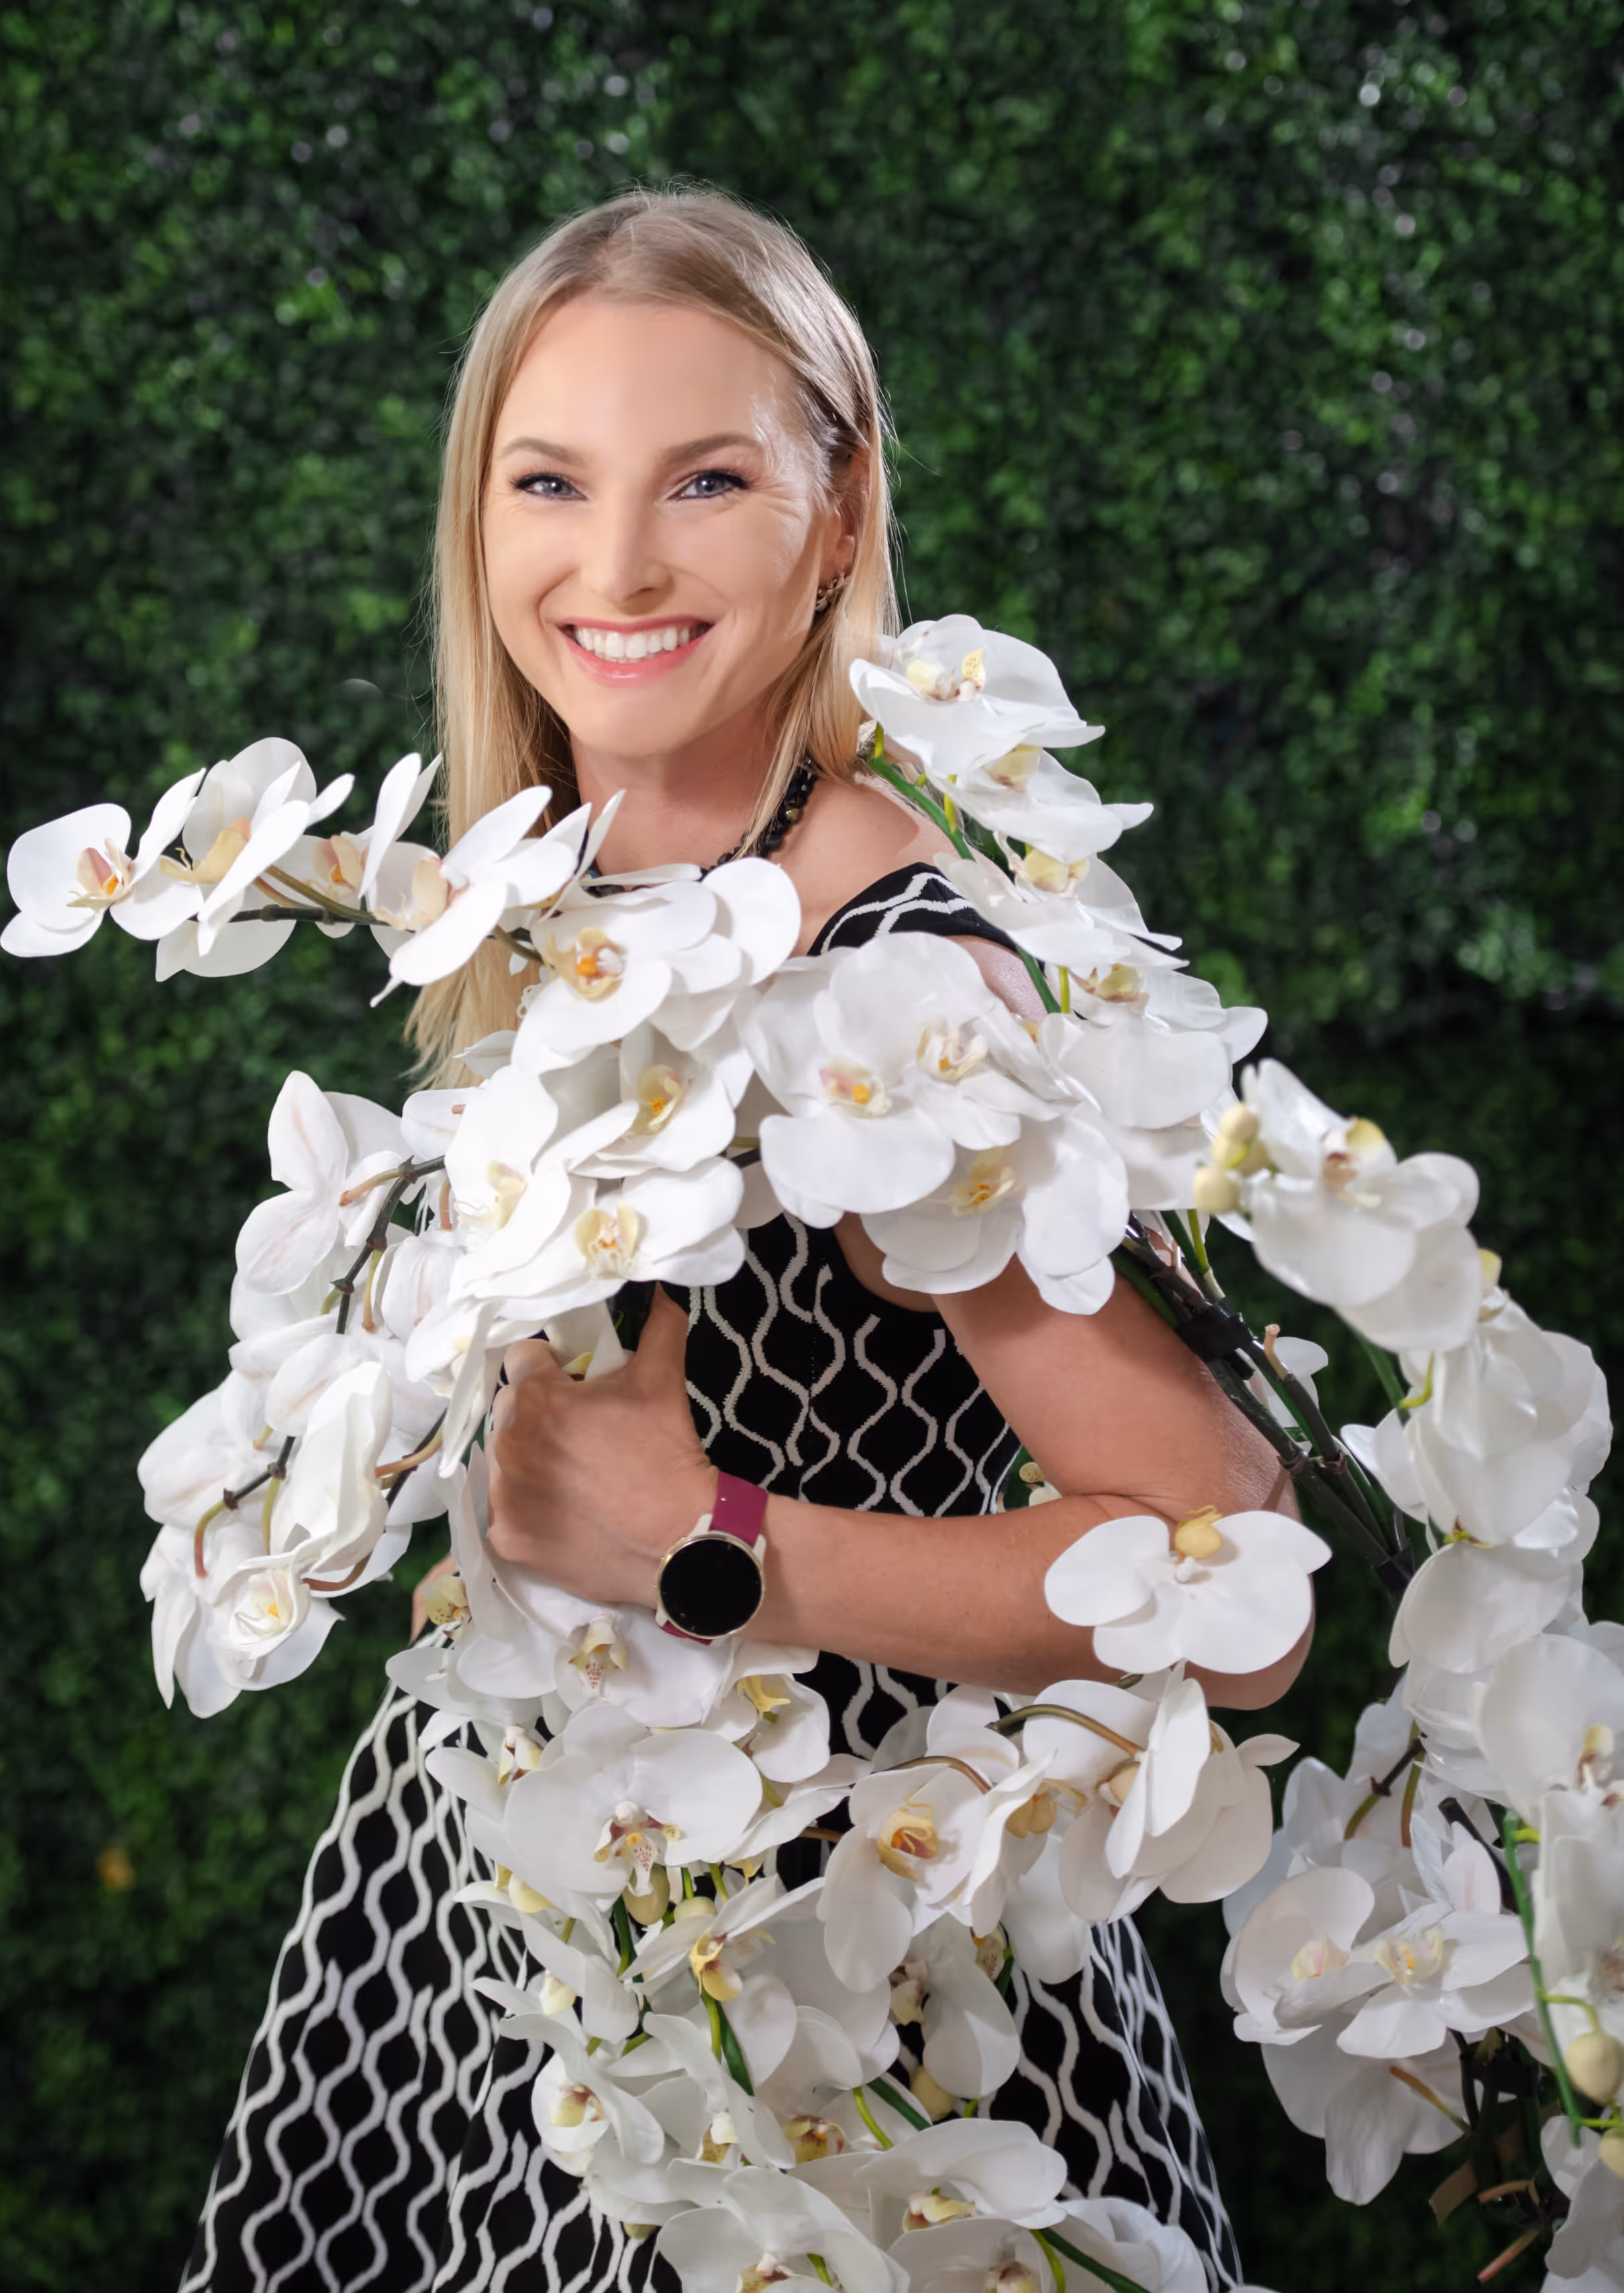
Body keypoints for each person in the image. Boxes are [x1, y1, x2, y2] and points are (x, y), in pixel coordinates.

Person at [183, 187, 1306, 2293]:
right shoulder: (567, 897)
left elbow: (1227, 1594)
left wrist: (703, 1542)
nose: (610, 568)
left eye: (704, 480)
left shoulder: (889, 977)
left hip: (828, 2032)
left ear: (836, 503)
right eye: (549, 483)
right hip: (505, 1954)